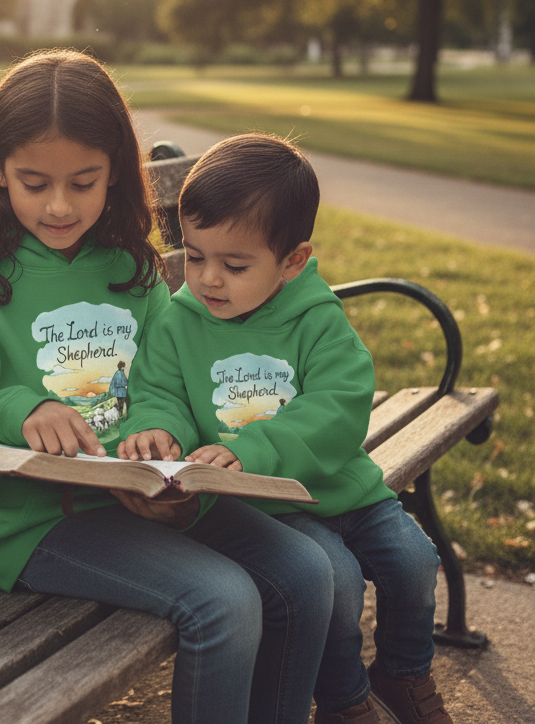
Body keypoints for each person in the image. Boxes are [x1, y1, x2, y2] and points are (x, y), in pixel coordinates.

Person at [0, 53, 333, 724]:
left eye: (84, 182)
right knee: (224, 601)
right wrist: (18, 410)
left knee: (307, 572)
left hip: (141, 503)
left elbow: (169, 387)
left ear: (116, 172)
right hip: (36, 526)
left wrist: (165, 448)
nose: (60, 205)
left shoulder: (130, 267)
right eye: (35, 183)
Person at [119, 133, 450, 724]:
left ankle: (403, 672)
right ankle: (346, 701)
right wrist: (157, 428)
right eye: (194, 256)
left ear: (292, 261)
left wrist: (254, 449)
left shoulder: (315, 319)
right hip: (273, 510)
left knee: (414, 560)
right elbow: (159, 392)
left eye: (234, 265)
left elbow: (337, 407)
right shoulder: (178, 322)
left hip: (346, 491)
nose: (208, 279)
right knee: (336, 584)